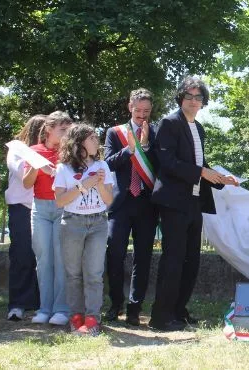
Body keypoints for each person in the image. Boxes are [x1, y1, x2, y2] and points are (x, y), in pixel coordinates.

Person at [148, 77, 238, 331]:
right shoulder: (169, 123)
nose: (193, 101)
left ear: (203, 102)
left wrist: (220, 179)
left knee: (191, 261)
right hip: (173, 202)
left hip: (194, 202)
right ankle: (161, 317)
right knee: (173, 260)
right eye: (189, 96)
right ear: (181, 98)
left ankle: (179, 311)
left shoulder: (198, 128)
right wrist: (201, 172)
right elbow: (168, 162)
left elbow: (200, 165)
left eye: (198, 97)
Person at [103, 88, 158, 326]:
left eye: (146, 111)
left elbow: (160, 164)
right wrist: (131, 149)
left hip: (146, 203)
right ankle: (115, 304)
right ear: (129, 107)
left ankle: (135, 308)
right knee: (115, 255)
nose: (142, 115)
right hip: (121, 204)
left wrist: (146, 147)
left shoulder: (156, 132)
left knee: (142, 258)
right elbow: (108, 163)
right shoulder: (115, 133)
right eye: (138, 110)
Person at [54, 123, 114, 336]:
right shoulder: (63, 168)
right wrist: (85, 184)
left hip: (98, 222)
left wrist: (99, 185)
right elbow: (60, 201)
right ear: (78, 143)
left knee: (94, 274)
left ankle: (92, 318)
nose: (97, 141)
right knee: (73, 274)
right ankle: (76, 317)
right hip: (72, 222)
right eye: (92, 138)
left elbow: (108, 200)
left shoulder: (102, 166)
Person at [23, 111, 72, 326]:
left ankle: (61, 309)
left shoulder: (69, 152)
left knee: (61, 259)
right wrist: (37, 167)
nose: (66, 134)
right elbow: (26, 183)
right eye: (63, 129)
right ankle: (44, 308)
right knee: (43, 259)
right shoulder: (34, 151)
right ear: (49, 129)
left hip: (63, 207)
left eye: (68, 130)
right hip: (40, 209)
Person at [4, 115, 45, 321]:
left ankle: (40, 303)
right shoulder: (16, 149)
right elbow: (23, 174)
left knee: (43, 257)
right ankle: (17, 304)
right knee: (22, 256)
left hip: (44, 207)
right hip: (21, 208)